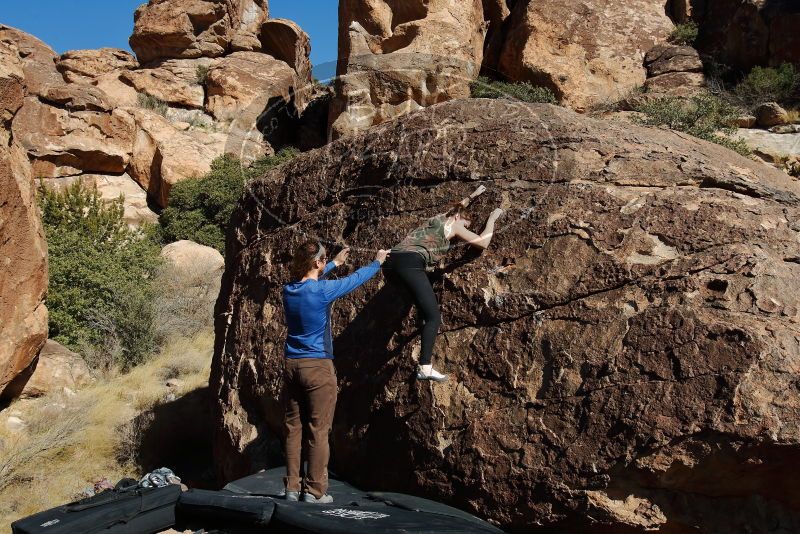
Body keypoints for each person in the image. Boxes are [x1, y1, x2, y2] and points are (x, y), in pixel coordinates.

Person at [282, 240, 390, 504]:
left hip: (292, 365)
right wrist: (377, 262)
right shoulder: (323, 291)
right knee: (318, 430)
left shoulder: (288, 290)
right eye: (323, 260)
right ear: (317, 263)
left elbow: (310, 279)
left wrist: (334, 263)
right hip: (317, 366)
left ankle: (292, 488)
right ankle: (316, 492)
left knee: (293, 428)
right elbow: (354, 280)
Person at [384, 185, 504, 382]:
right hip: (410, 262)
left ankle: (422, 325)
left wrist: (474, 194)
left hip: (391, 263)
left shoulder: (438, 217)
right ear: (459, 218)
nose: (465, 229)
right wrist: (492, 218)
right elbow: (482, 242)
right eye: (466, 224)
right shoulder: (455, 225)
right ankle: (425, 366)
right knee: (433, 317)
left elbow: (458, 206)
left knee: (424, 310)